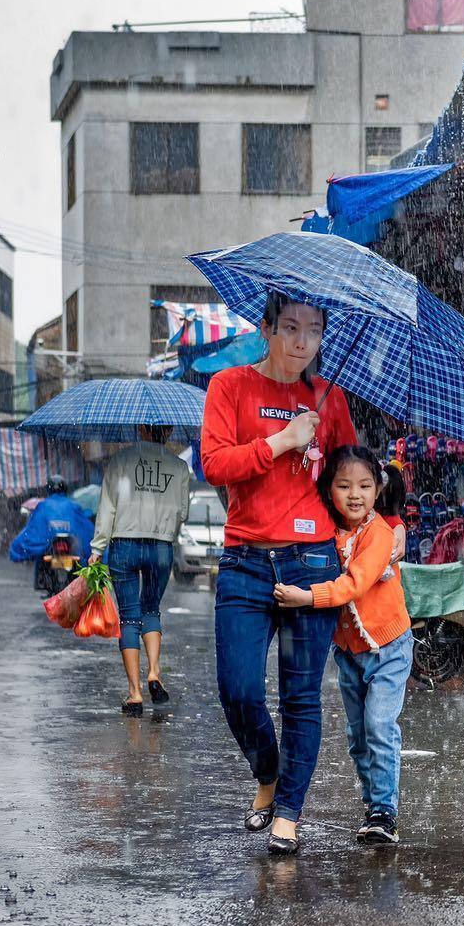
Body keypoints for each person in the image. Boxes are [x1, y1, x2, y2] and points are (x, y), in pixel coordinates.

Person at [200, 292, 357, 856]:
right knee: (238, 690)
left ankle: (288, 812)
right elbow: (214, 464)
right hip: (246, 560)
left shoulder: (328, 399)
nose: (301, 342)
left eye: (313, 331)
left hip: (312, 559)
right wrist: (281, 442)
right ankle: (267, 772)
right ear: (266, 328)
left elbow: (349, 477)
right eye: (290, 327)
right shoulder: (230, 387)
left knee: (301, 697)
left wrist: (385, 516)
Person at [274, 446, 413, 845]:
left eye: (365, 486)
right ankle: (374, 806)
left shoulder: (380, 533)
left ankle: (385, 812)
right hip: (350, 652)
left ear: (377, 490)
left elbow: (354, 584)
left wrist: (306, 596)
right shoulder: (326, 532)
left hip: (389, 648)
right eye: (344, 485)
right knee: (357, 736)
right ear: (328, 489)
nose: (355, 494)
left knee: (379, 726)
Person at [89, 425, 193, 717]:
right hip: (161, 546)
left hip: (124, 544)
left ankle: (134, 693)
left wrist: (97, 549)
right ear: (169, 430)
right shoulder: (179, 466)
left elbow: (107, 507)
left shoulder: (121, 461)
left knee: (129, 617)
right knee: (151, 610)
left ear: (139, 429)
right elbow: (182, 512)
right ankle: (155, 672)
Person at [9, 475, 93, 588]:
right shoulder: (73, 505)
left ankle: (40, 582)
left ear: (49, 489)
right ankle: (81, 582)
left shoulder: (43, 505)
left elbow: (33, 528)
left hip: (51, 545)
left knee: (41, 554)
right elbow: (85, 527)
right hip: (69, 546)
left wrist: (17, 548)